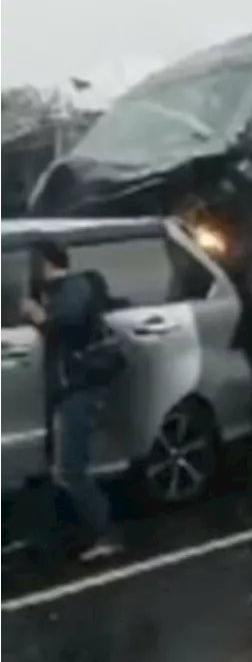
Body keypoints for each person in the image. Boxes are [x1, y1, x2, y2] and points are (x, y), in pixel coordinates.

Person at [21, 239, 122, 561]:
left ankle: (106, 534)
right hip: (66, 388)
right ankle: (62, 534)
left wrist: (39, 317)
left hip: (79, 389)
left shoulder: (73, 288)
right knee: (57, 466)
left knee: (69, 469)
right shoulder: (58, 291)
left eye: (33, 262)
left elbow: (69, 326)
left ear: (46, 262)